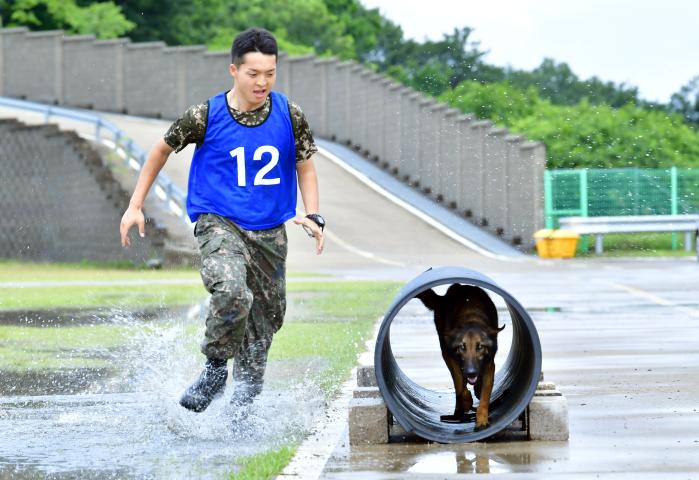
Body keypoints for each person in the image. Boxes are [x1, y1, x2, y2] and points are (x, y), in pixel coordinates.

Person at [119, 27, 325, 413]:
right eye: (253, 74)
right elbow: (160, 151)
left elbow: (306, 166)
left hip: (269, 232)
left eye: (270, 73)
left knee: (266, 320)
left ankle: (242, 407)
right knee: (231, 292)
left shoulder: (289, 114)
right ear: (234, 70)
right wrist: (135, 205)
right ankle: (214, 370)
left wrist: (314, 213)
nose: (262, 82)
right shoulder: (205, 114)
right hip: (220, 223)